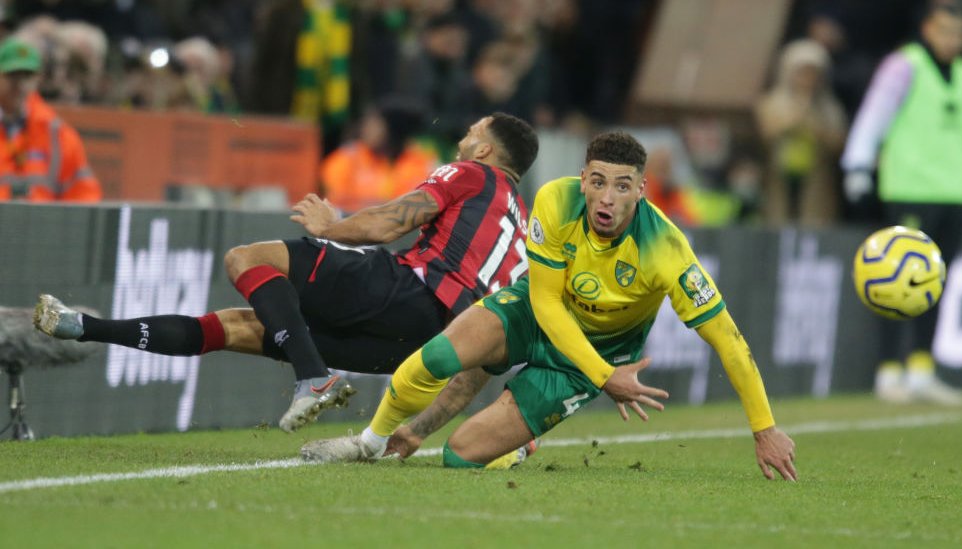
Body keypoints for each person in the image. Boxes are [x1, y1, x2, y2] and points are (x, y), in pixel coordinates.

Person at [301, 131, 798, 481]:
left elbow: (729, 341)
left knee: (461, 456)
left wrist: (765, 429)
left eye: (622, 186)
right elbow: (544, 301)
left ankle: (520, 443)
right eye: (598, 182)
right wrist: (607, 378)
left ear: (641, 190)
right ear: (582, 179)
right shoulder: (556, 202)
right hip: (537, 311)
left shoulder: (666, 249)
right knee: (436, 357)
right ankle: (368, 444)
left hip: (589, 357)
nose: (607, 198)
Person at [35, 112, 539, 436]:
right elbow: (480, 358)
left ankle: (313, 379)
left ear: (486, 150)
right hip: (426, 344)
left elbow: (393, 222)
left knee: (246, 259)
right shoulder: (521, 231)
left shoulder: (471, 173)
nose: (463, 137)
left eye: (473, 132)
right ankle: (86, 327)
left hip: (407, 290)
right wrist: (416, 432)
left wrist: (332, 227)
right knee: (237, 327)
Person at [841, 0, 962, 406]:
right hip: (910, 189)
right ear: (928, 28)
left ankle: (920, 370)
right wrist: (858, 165)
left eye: (959, 34)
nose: (952, 40)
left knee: (934, 284)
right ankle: (888, 371)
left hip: (954, 191)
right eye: (945, 31)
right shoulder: (904, 65)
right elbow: (874, 115)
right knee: (892, 281)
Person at [755, 38, 846, 226]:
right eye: (802, 73)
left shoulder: (829, 108)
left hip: (816, 179)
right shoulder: (773, 102)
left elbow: (839, 142)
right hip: (779, 174)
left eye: (813, 74)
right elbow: (764, 134)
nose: (807, 79)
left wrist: (816, 129)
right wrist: (792, 122)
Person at [0, 36, 101, 202]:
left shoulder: (57, 134)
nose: (20, 84)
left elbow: (84, 196)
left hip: (41, 218)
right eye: (12, 75)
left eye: (27, 76)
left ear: (37, 79)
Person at [319, 97, 438, 213]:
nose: (366, 129)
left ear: (394, 130)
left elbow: (420, 206)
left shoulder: (421, 163)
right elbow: (336, 201)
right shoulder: (347, 158)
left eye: (375, 125)